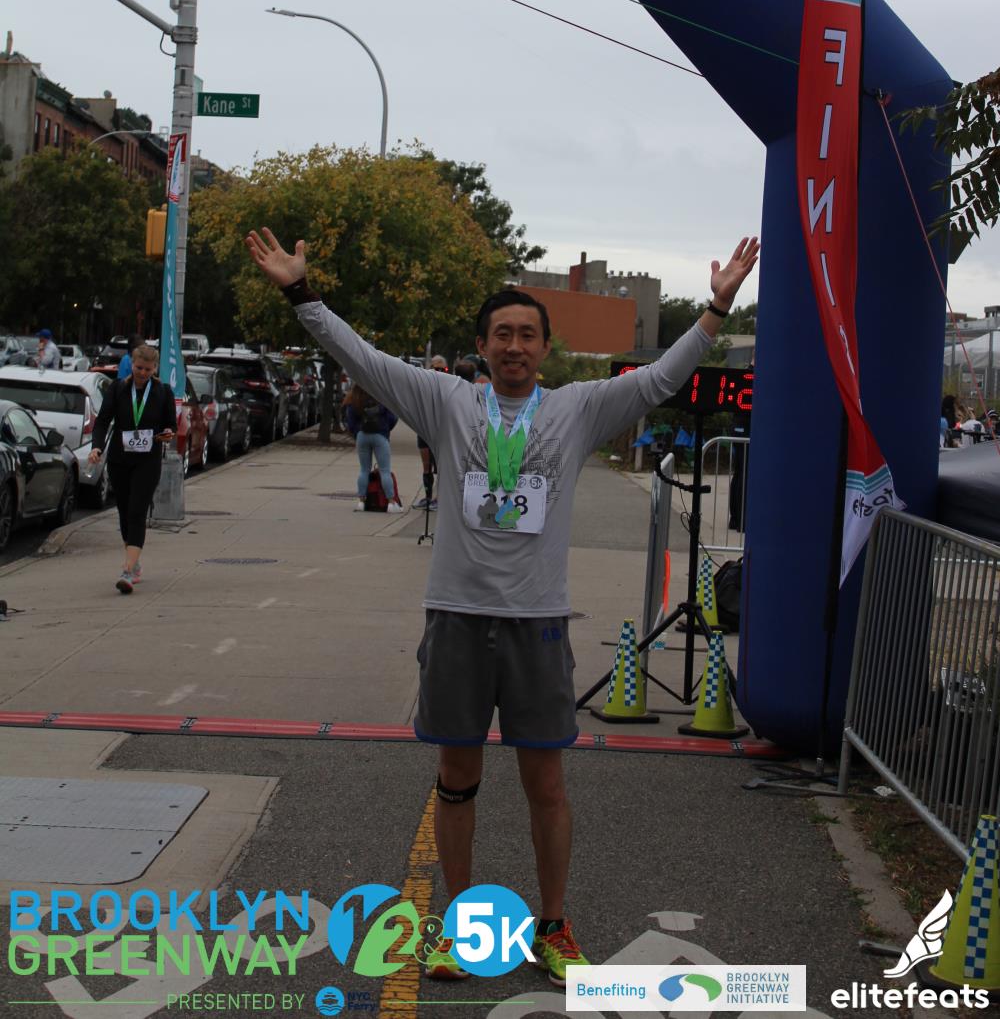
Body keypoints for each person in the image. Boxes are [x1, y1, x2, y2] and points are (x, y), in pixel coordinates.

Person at [245, 227, 758, 986]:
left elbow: (659, 379)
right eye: (502, 335)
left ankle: (554, 925)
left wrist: (715, 311)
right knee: (457, 778)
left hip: (537, 624)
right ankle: (462, 927)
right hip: (457, 616)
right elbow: (363, 359)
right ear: (482, 346)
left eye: (527, 335)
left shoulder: (577, 409)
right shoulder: (447, 400)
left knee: (545, 785)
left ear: (544, 348)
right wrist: (300, 292)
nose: (514, 346)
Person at [88, 342, 176, 593]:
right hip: (120, 459)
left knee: (137, 511)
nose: (143, 373)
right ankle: (134, 560)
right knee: (125, 511)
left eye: (148, 369)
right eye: (139, 368)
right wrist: (96, 447)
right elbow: (103, 422)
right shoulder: (118, 389)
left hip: (147, 461)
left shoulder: (162, 392)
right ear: (132, 365)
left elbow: (170, 424)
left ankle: (127, 571)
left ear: (155, 368)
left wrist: (167, 433)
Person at [343, 382, 402, 513]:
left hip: (362, 435)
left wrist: (357, 432)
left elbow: (350, 421)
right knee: (385, 470)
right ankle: (391, 503)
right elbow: (392, 418)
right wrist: (385, 429)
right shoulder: (381, 396)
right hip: (380, 435)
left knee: (364, 469)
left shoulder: (354, 397)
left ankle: (361, 502)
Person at [415, 356, 449, 511]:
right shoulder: (425, 385)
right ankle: (428, 497)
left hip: (441, 432)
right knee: (426, 466)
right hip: (424, 430)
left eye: (443, 369)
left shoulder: (450, 385)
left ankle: (439, 498)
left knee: (441, 468)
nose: (439, 372)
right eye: (436, 369)